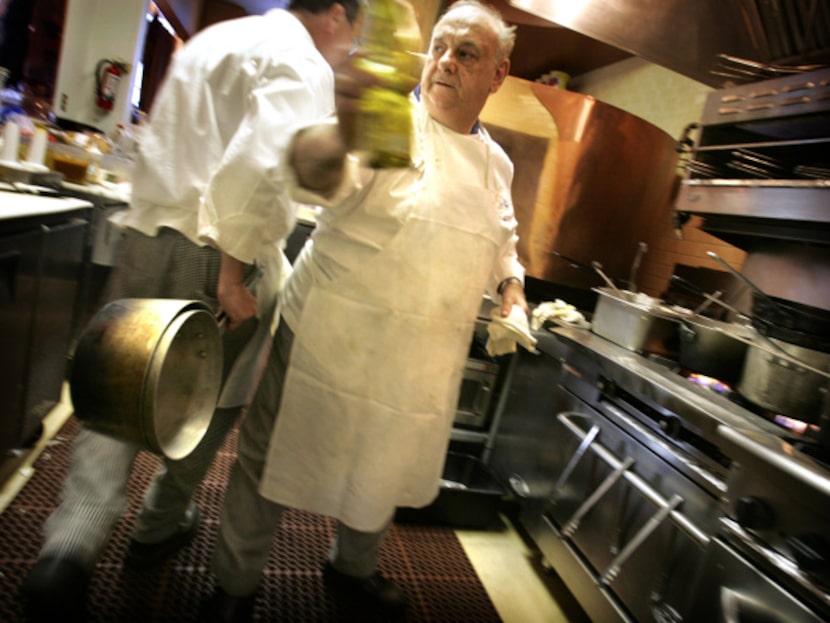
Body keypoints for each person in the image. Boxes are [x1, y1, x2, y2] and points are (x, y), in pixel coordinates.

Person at [19, 2, 362, 621]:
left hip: (149, 239)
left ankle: (66, 553)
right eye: (352, 37)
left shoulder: (216, 39)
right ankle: (160, 522)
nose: (347, 51)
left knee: (115, 395)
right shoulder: (304, 62)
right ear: (337, 14)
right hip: (216, 257)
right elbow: (258, 163)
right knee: (213, 400)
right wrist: (233, 274)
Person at [205, 2, 526, 620]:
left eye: (467, 53)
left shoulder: (496, 164)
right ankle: (233, 585)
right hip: (328, 334)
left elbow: (504, 240)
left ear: (498, 74)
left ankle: (352, 567)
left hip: (422, 357)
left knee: (385, 464)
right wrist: (343, 124)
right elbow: (317, 176)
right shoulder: (387, 127)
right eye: (440, 47)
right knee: (269, 461)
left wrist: (512, 290)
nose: (446, 62)